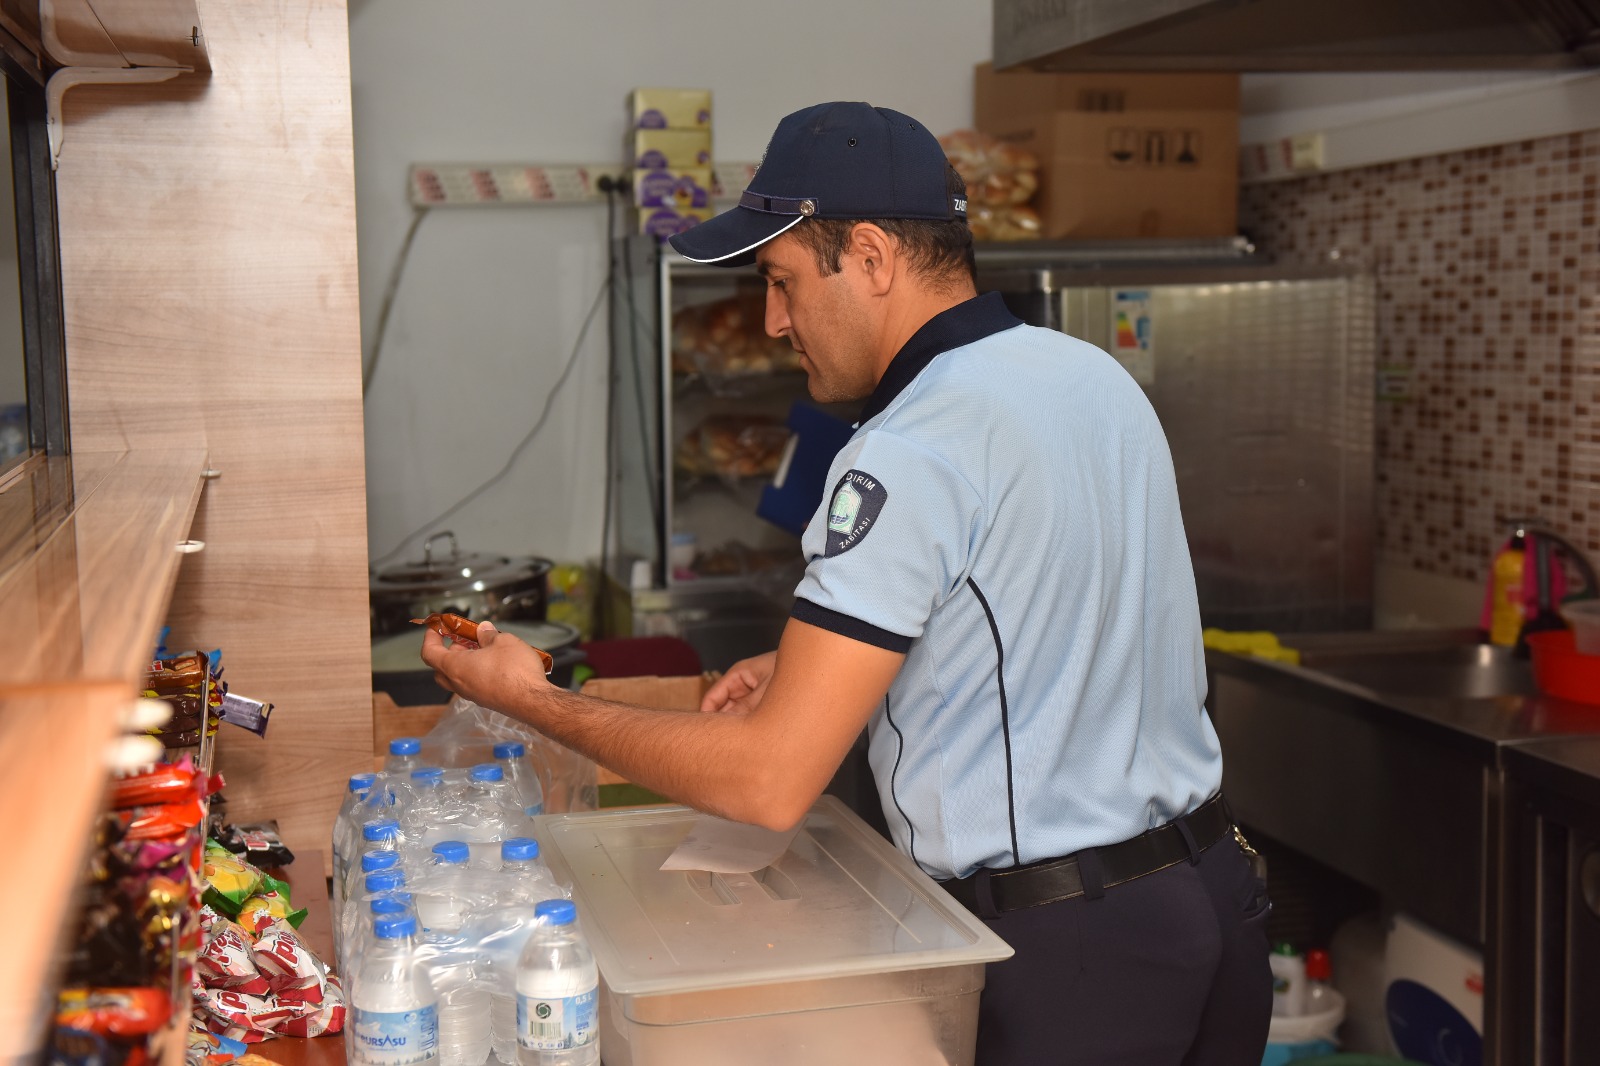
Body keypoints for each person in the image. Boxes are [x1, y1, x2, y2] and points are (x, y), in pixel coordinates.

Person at [422, 101, 1272, 1064]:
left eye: (781, 280)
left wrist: (532, 701)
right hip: (1212, 894)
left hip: (1071, 950)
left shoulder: (908, 446)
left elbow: (766, 781)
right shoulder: (1088, 375)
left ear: (870, 256)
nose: (775, 321)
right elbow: (1055, 613)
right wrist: (809, 667)